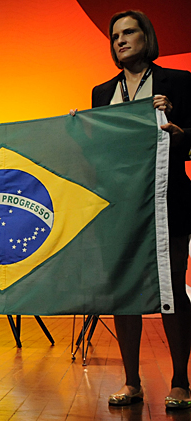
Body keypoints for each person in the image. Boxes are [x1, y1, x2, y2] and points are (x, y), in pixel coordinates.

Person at [91, 11, 191, 409]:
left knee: (171, 290)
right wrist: (77, 130)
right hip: (121, 206)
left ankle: (181, 380)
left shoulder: (179, 83)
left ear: (146, 36)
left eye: (128, 32)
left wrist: (178, 127)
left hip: (170, 200)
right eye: (114, 35)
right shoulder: (101, 91)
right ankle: (131, 382)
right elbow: (100, 149)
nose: (120, 40)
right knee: (124, 293)